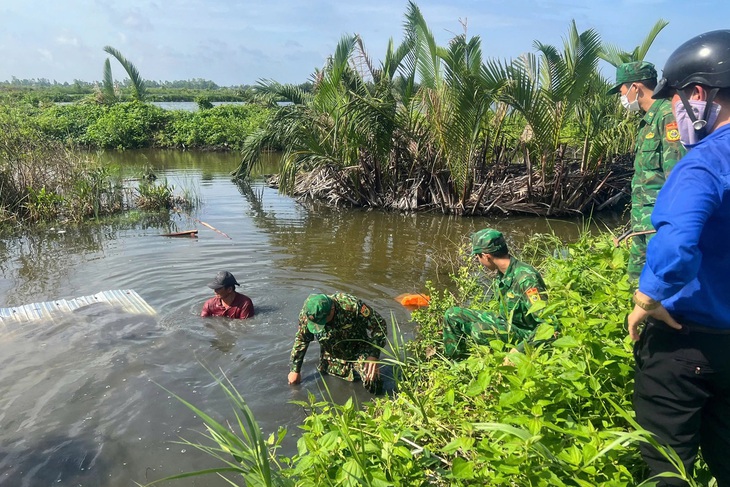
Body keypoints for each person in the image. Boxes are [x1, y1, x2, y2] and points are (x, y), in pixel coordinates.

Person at [626, 30, 730, 486]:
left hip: (689, 340)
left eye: (682, 98)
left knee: (667, 465)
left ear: (700, 94)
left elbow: (676, 242)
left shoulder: (705, 161)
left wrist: (648, 298)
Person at [608, 61, 687, 280]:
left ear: (636, 87)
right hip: (642, 221)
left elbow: (676, 175)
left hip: (659, 223)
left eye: (622, 90)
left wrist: (672, 225)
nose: (621, 97)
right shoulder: (647, 121)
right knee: (636, 282)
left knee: (661, 282)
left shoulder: (667, 116)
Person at [442, 228, 548, 358]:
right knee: (452, 315)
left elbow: (548, 325)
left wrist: (518, 351)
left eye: (478, 256)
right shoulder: (503, 273)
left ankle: (499, 358)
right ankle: (457, 365)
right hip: (508, 324)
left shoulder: (526, 279)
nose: (478, 260)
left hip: (527, 334)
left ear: (487, 256)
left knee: (479, 330)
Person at [287, 293, 387, 393]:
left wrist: (373, 355)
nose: (320, 324)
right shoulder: (309, 314)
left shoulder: (351, 306)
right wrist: (295, 370)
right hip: (331, 356)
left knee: (373, 380)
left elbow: (379, 325)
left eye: (322, 321)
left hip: (358, 351)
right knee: (327, 388)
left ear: (332, 309)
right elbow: (302, 340)